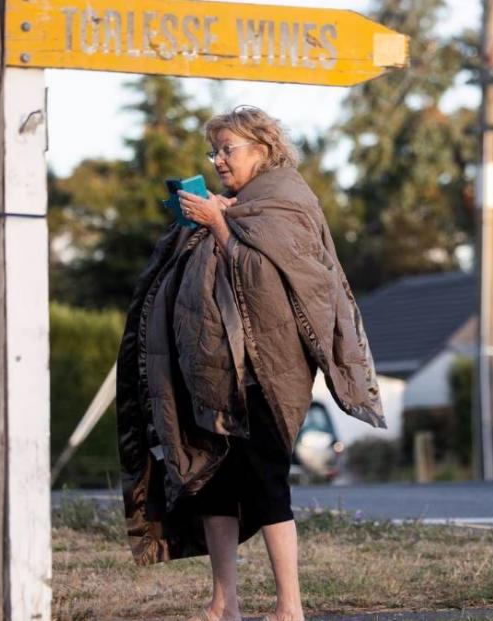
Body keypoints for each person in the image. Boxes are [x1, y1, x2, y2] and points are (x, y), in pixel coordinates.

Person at [114, 106, 387, 621]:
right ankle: (224, 603)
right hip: (214, 375)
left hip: (264, 374)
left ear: (263, 150)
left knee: (266, 487)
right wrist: (208, 221)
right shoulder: (239, 205)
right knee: (213, 485)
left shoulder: (287, 203)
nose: (218, 159)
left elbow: (276, 284)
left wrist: (220, 223)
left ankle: (290, 607)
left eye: (228, 149)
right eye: (214, 150)